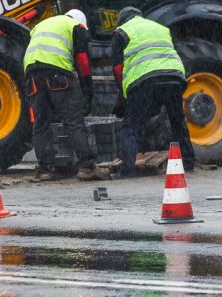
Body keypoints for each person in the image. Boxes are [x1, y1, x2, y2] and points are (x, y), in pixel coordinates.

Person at [24, 9, 110, 181]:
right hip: (56, 73)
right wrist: (87, 91)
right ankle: (87, 167)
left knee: (41, 123)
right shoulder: (75, 27)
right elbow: (82, 61)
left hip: (32, 73)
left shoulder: (41, 24)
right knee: (72, 121)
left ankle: (45, 169)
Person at [111, 7, 195, 178]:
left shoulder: (121, 32)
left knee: (130, 127)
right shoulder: (161, 28)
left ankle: (127, 171)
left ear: (122, 20)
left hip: (144, 80)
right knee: (178, 122)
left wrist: (124, 95)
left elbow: (118, 69)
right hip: (173, 78)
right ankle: (188, 163)